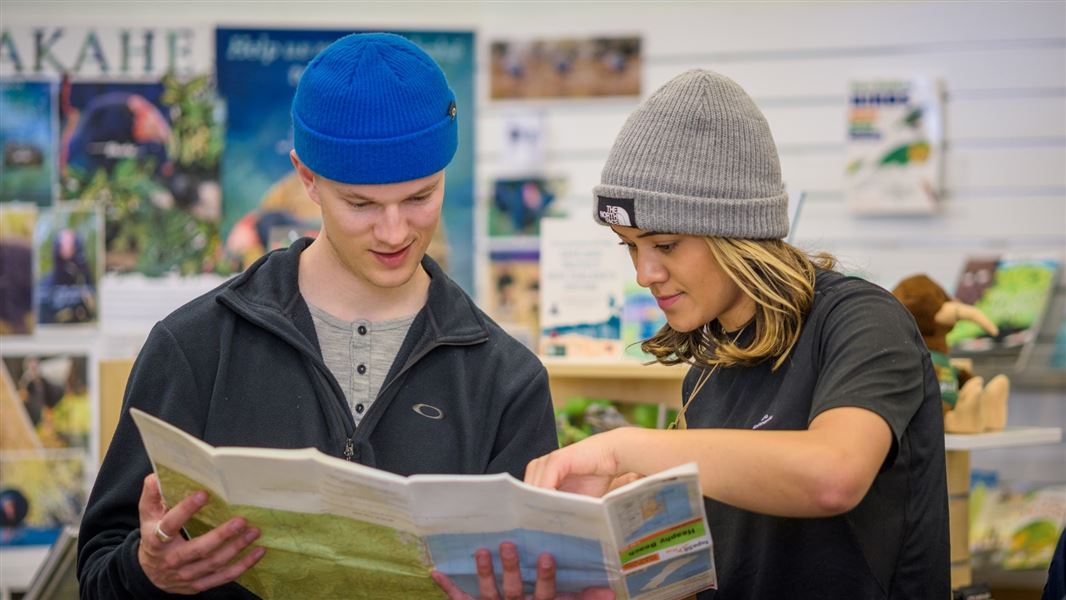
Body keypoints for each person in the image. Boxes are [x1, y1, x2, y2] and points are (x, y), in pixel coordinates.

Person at [77, 33, 558, 599]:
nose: (395, 232)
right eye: (362, 204)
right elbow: (95, 578)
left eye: (420, 197)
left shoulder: (508, 381)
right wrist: (147, 570)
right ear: (307, 178)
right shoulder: (192, 348)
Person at [523, 70, 950, 599]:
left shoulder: (863, 322)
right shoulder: (708, 370)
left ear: (736, 232)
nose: (644, 273)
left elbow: (834, 475)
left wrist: (626, 450)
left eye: (666, 244)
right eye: (629, 246)